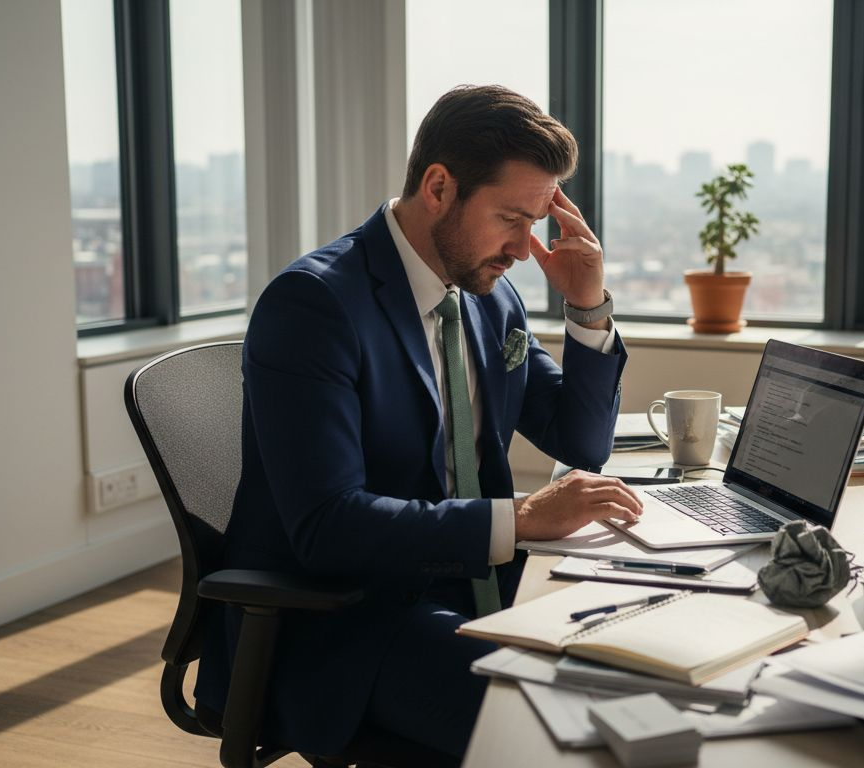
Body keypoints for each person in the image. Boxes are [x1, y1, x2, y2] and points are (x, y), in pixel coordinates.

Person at [195, 85, 641, 761]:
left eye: (536, 224)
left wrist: (586, 306)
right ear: (439, 186)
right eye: (510, 219)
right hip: (348, 624)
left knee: (632, 667)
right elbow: (328, 526)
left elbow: (582, 442)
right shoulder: (314, 306)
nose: (525, 250)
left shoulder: (490, 297)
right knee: (559, 732)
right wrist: (518, 519)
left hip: (464, 587)